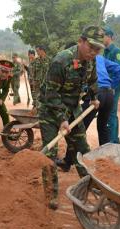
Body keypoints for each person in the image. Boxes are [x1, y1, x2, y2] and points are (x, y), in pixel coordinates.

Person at [38, 25, 104, 209]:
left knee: (82, 149)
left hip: (72, 108)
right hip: (51, 111)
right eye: (91, 47)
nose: (94, 52)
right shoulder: (61, 60)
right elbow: (50, 93)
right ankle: (51, 194)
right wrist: (61, 119)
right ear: (80, 41)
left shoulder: (90, 61)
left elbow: (92, 81)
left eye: (97, 49)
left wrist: (94, 97)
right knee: (50, 155)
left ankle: (91, 184)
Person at [56, 54, 120, 172]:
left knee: (77, 129)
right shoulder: (100, 57)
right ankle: (106, 164)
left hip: (97, 95)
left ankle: (67, 162)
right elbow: (119, 69)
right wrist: (113, 86)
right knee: (103, 129)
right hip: (109, 95)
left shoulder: (82, 58)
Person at [103, 26, 120, 144]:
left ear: (110, 37)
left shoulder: (117, 52)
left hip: (112, 89)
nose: (102, 39)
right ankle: (112, 140)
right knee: (107, 114)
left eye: (103, 36)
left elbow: (119, 72)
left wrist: (113, 88)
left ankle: (113, 141)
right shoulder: (105, 52)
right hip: (105, 89)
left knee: (111, 114)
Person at [33, 45, 50, 109]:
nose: (37, 52)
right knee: (37, 97)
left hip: (46, 83)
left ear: (42, 50)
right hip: (37, 82)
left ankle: (44, 110)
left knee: (45, 97)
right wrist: (33, 81)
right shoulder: (36, 61)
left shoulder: (49, 60)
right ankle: (37, 110)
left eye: (38, 51)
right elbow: (33, 72)